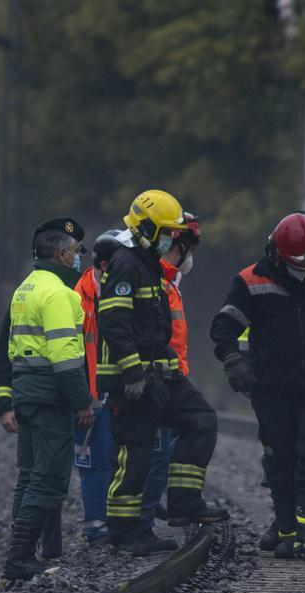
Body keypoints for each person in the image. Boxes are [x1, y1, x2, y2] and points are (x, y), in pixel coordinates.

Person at [212, 212, 305, 558]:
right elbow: (223, 328)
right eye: (298, 264)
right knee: (281, 457)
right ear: (277, 253)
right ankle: (288, 531)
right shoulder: (251, 281)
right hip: (273, 387)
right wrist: (234, 362)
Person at [98, 190, 227, 556]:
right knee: (135, 456)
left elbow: (153, 331)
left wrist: (166, 368)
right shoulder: (126, 265)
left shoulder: (150, 267)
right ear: (148, 230)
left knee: (201, 420)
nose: (172, 241)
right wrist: (133, 372)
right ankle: (124, 533)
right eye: (168, 233)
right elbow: (114, 322)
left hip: (160, 378)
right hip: (133, 383)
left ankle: (185, 502)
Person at [1, 219, 95, 580]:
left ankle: (19, 553)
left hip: (26, 392)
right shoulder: (58, 293)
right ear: (61, 253)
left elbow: (12, 350)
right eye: (74, 252)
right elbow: (66, 358)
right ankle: (21, 557)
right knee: (49, 477)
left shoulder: (25, 288)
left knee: (28, 475)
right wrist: (82, 402)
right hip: (50, 396)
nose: (77, 258)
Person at [138, 210, 201, 541]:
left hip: (172, 374)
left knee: (165, 446)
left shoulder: (170, 281)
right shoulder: (157, 279)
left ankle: (156, 507)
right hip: (161, 377)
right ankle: (144, 518)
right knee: (157, 449)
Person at [70, 230, 127, 545]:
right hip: (91, 395)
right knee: (94, 459)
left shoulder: (117, 290)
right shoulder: (80, 297)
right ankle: (95, 524)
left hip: (120, 390)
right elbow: (73, 353)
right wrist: (84, 398)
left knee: (122, 456)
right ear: (104, 265)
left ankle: (118, 519)